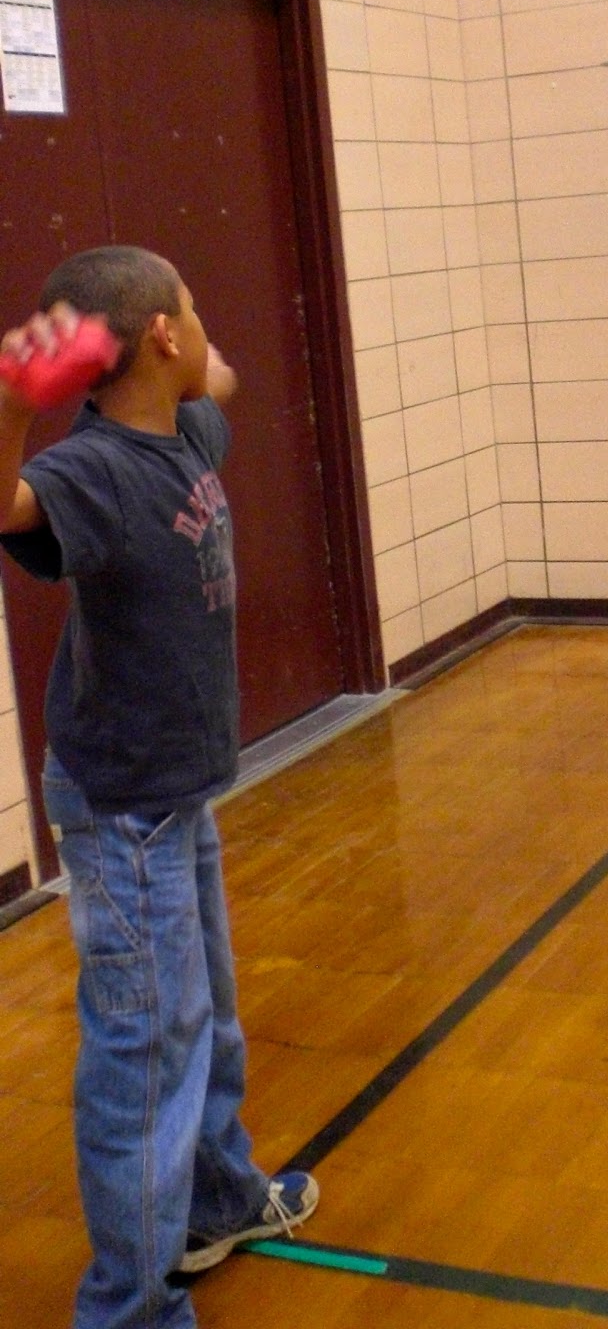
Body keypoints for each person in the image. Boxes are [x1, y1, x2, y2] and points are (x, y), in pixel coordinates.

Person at [0, 246, 319, 1329]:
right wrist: (12, 400)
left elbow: (217, 376)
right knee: (146, 1049)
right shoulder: (93, 472)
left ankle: (212, 1204)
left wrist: (158, 337)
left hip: (176, 792)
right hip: (121, 806)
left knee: (209, 1021)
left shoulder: (184, 431)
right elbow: (3, 496)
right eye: (190, 305)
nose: (201, 319)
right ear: (165, 337)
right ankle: (127, 1309)